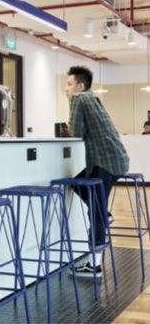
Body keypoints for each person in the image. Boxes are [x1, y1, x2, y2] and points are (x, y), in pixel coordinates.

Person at [66, 66, 129, 277]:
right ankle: (106, 214)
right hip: (116, 159)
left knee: (95, 210)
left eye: (69, 84)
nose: (66, 89)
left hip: (104, 161)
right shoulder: (93, 98)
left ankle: (94, 266)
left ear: (80, 86)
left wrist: (69, 115)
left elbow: (75, 132)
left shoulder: (79, 99)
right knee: (77, 183)